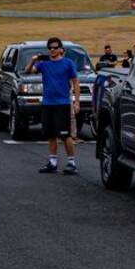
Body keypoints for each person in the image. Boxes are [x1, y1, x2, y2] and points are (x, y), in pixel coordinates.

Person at [27, 37, 80, 175]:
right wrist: (33, 60)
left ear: (61, 49)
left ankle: (72, 163)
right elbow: (28, 71)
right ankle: (52, 163)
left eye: (55, 47)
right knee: (50, 135)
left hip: (62, 104)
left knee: (65, 135)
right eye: (50, 48)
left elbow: (75, 82)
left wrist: (77, 101)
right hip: (47, 103)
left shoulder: (68, 63)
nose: (52, 50)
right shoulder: (43, 64)